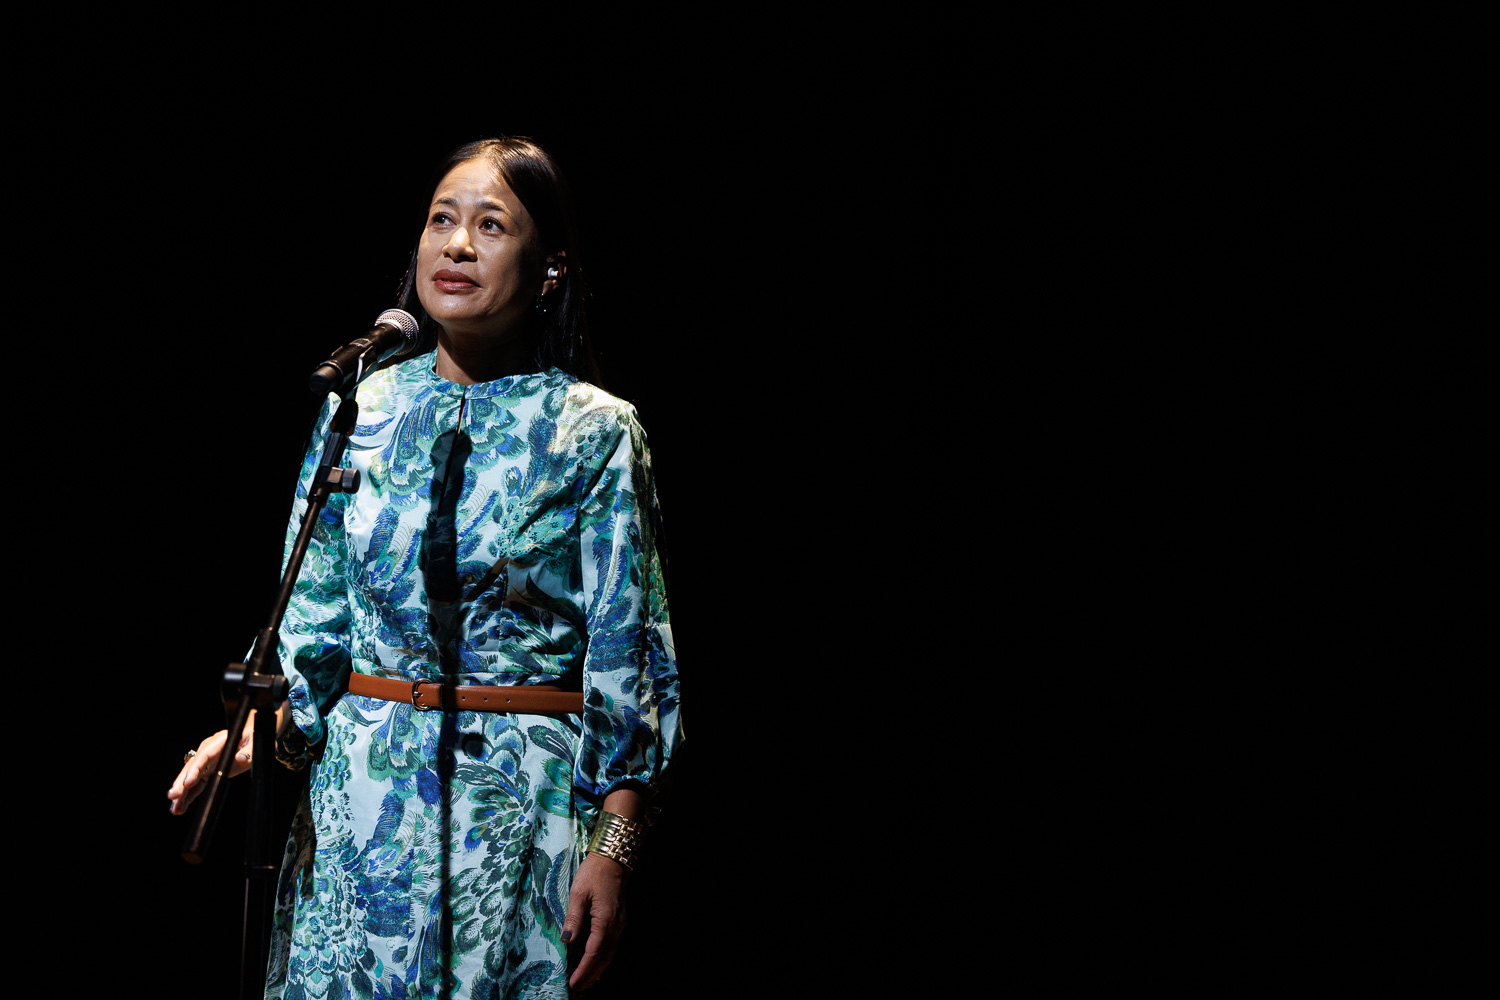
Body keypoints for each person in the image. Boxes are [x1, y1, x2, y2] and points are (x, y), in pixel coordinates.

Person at [168, 137, 682, 999]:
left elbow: (629, 656)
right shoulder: (361, 407)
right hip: (356, 812)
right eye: (442, 220)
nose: (458, 245)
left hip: (513, 812)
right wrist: (264, 731)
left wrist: (614, 849)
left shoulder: (594, 431)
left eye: (492, 226)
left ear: (550, 269)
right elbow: (315, 616)